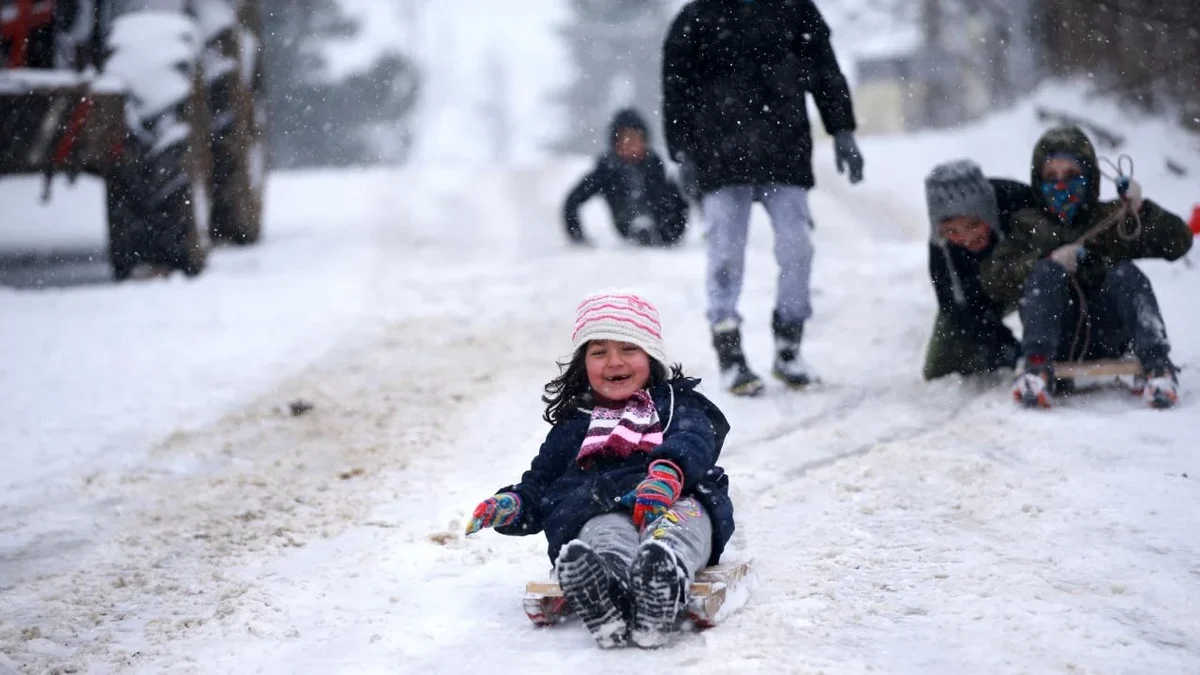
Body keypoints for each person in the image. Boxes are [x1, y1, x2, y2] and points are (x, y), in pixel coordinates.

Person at [463, 291, 735, 649]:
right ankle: (605, 589)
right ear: (583, 364)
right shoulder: (574, 424)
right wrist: (513, 504)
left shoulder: (675, 405)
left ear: (651, 356)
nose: (613, 362)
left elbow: (694, 439)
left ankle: (662, 579)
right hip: (601, 506)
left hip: (674, 498)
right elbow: (542, 482)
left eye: (628, 349)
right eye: (599, 352)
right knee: (603, 535)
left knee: (676, 530)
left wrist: (668, 473)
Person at [662, 0, 864, 396]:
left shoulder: (794, 10)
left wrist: (842, 129)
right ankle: (729, 350)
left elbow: (825, 69)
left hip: (784, 149)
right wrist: (682, 150)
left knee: (797, 247)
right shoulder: (697, 18)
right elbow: (676, 87)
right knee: (725, 254)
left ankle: (789, 343)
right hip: (718, 154)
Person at [979, 125, 1194, 409]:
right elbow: (993, 280)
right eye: (1051, 177)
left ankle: (1158, 366)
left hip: (1108, 332)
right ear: (1038, 180)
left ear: (1089, 177)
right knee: (1045, 273)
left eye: (1071, 176)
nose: (1060, 185)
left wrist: (1142, 210)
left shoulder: (1111, 218)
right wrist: (1046, 262)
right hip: (1055, 337)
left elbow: (1178, 242)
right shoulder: (1027, 225)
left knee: (1125, 273)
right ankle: (1036, 370)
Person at [922, 159, 1039, 380]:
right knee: (939, 368)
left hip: (1028, 280)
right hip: (981, 294)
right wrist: (1007, 349)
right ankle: (988, 360)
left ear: (987, 214)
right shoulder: (941, 249)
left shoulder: (1020, 203)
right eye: (952, 231)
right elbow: (956, 308)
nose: (966, 238)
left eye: (973, 225)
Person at [562, 109, 689, 247]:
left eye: (636, 138)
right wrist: (577, 236)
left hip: (663, 229)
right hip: (625, 223)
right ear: (615, 143)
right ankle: (639, 225)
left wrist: (673, 232)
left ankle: (648, 226)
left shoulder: (654, 165)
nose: (631, 144)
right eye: (626, 139)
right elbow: (573, 201)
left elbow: (679, 203)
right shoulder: (607, 170)